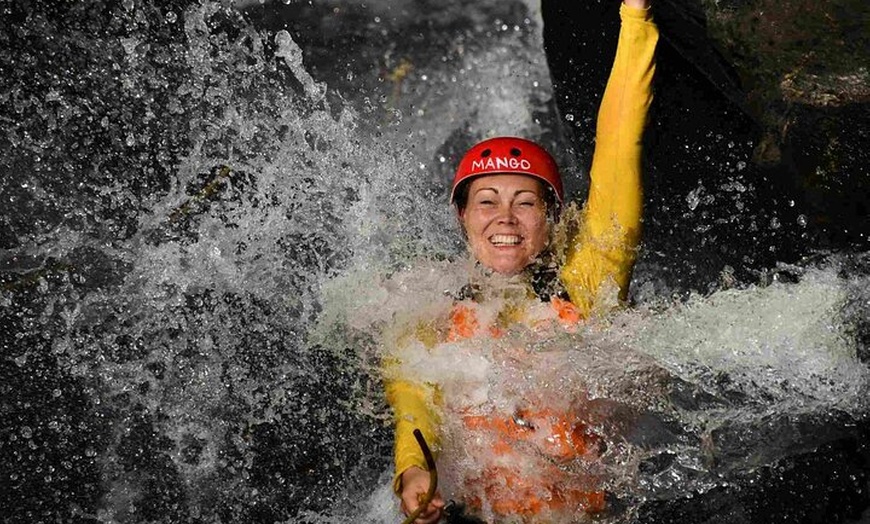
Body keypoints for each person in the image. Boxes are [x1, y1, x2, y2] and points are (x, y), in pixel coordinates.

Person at [385, 0, 658, 521]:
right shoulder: (423, 306)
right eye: (487, 201)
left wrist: (635, 17)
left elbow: (620, 146)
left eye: (525, 202)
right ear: (463, 216)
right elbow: (412, 396)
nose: (505, 219)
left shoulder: (588, 280)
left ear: (551, 219)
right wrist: (414, 470)